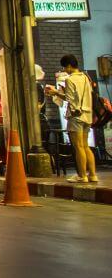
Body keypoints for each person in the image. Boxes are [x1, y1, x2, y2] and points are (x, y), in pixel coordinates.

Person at [47, 55, 99, 184]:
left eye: (64, 67)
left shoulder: (70, 80)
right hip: (87, 115)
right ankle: (92, 175)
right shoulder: (85, 77)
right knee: (86, 146)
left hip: (76, 116)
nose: (65, 70)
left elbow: (69, 99)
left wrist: (56, 93)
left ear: (69, 66)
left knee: (78, 147)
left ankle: (82, 176)